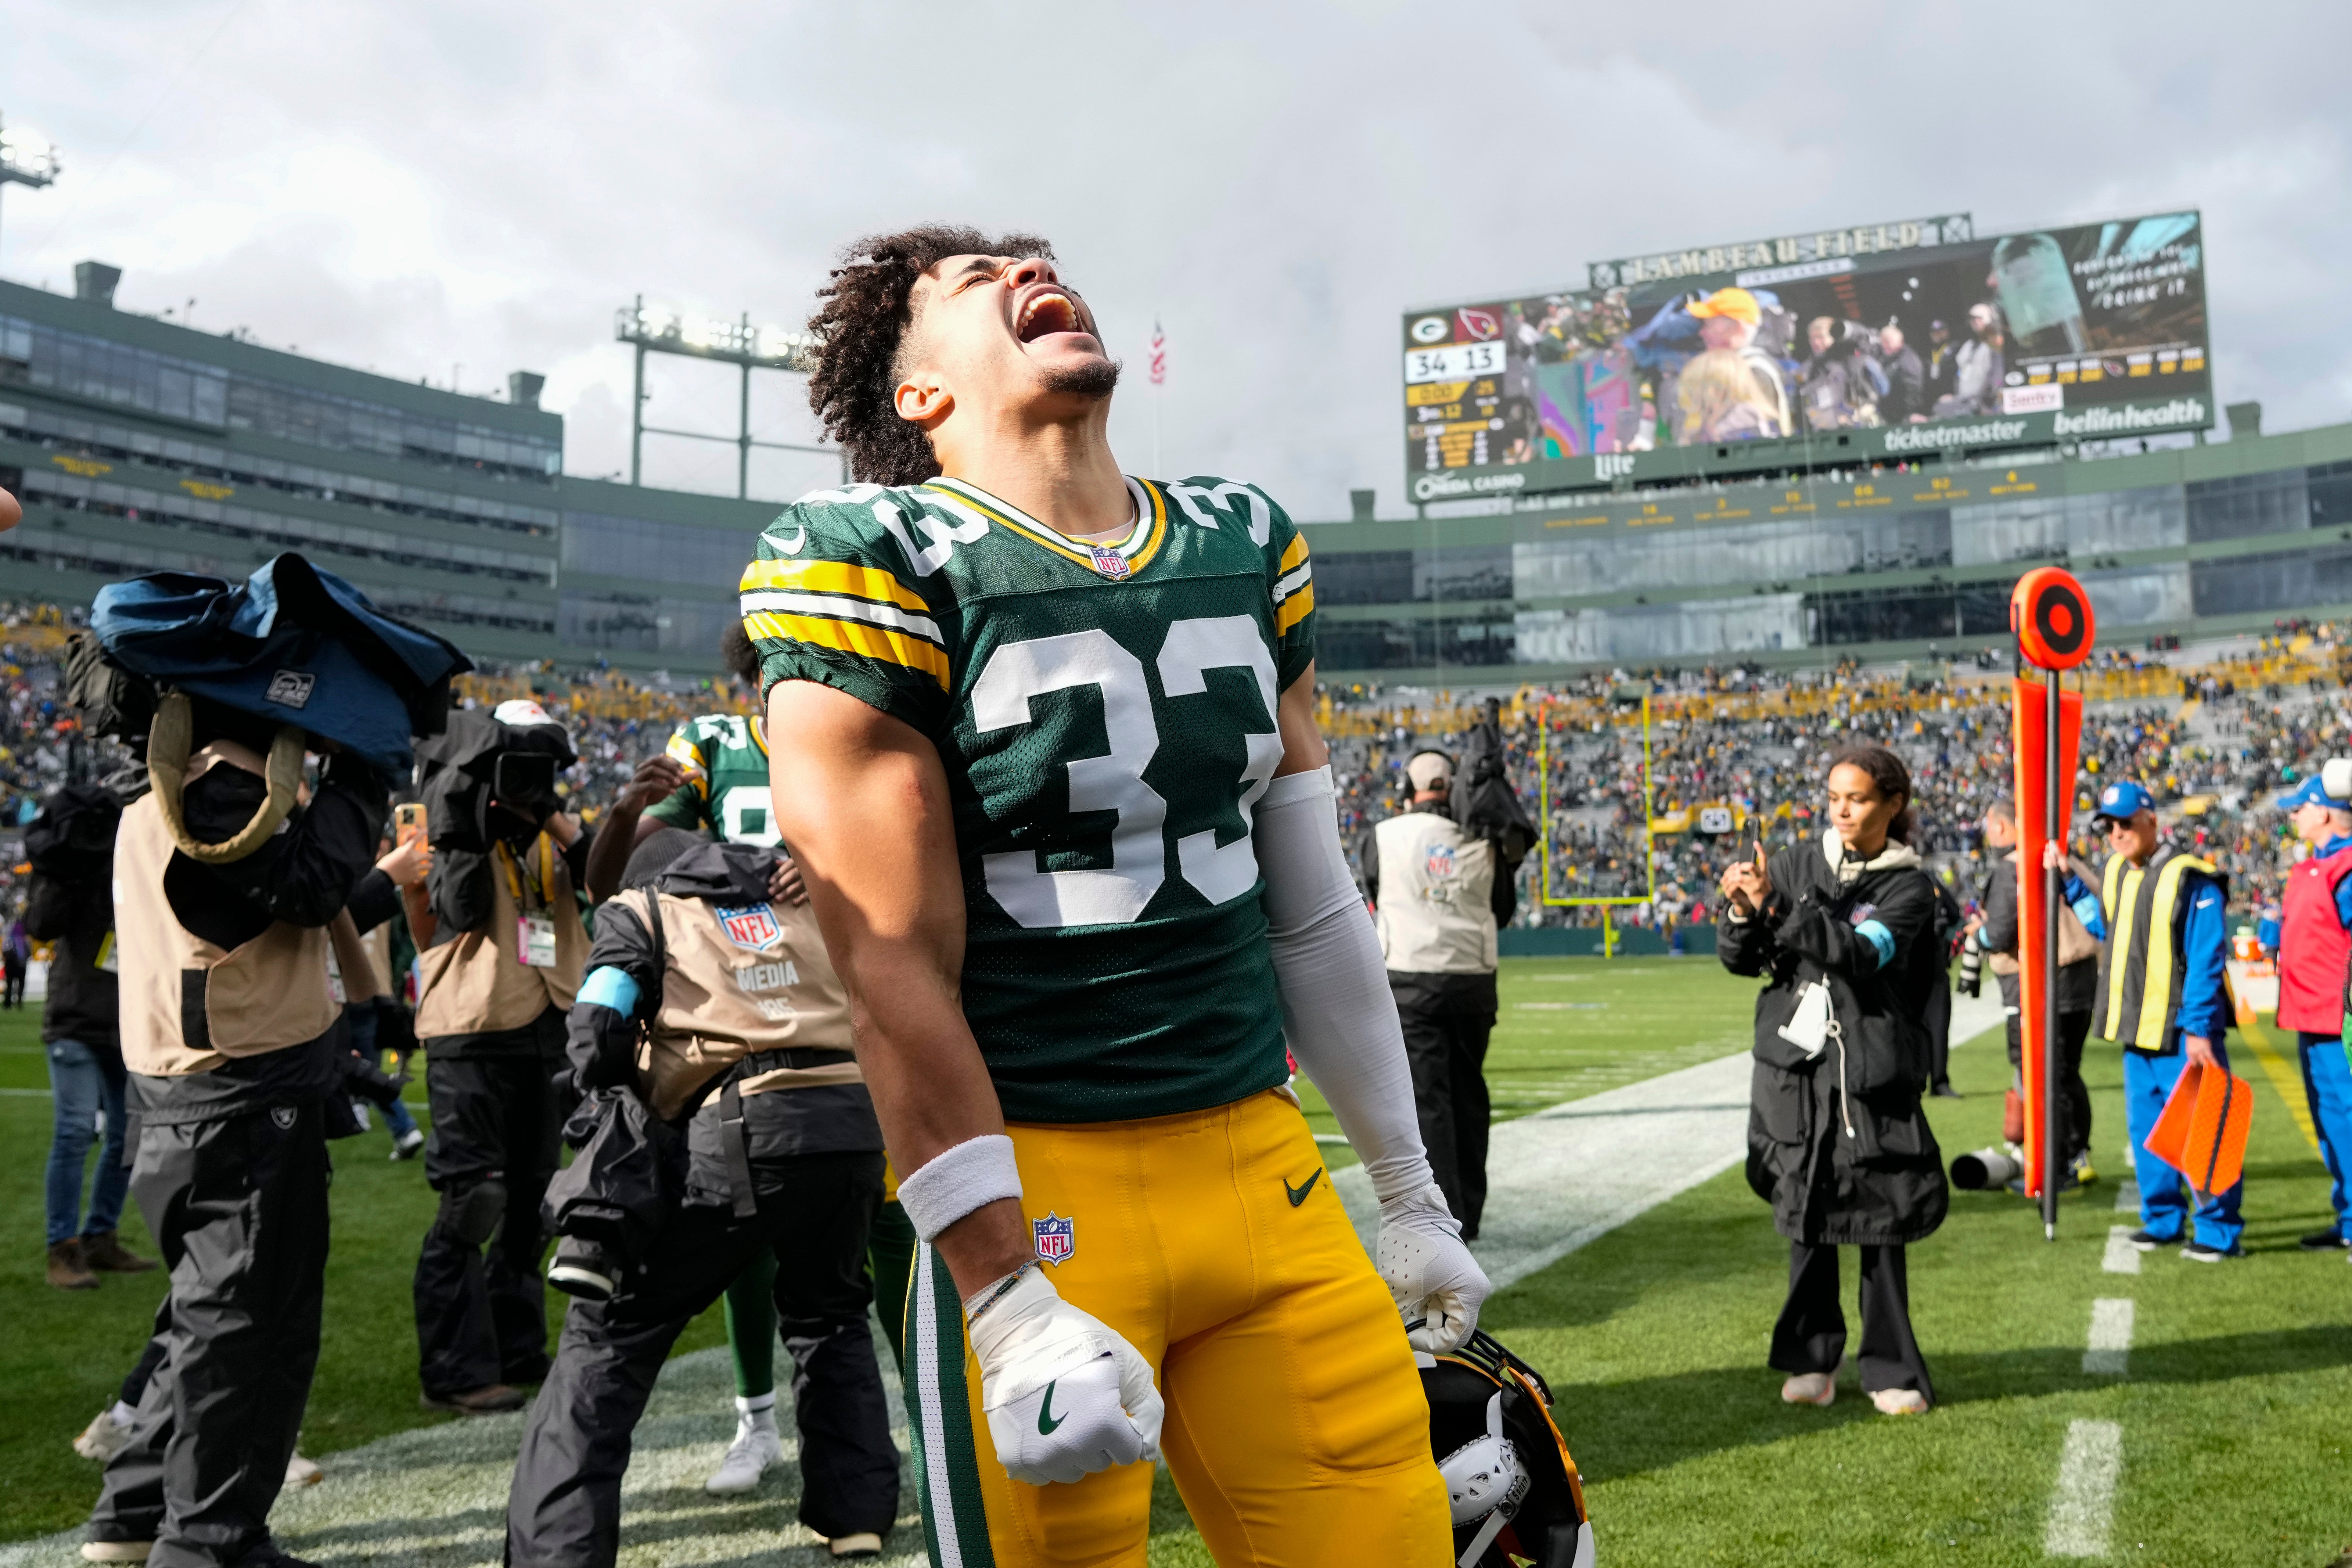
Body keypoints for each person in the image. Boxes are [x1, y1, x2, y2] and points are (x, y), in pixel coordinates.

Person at [756, 228, 1486, 1566]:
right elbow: (890, 965)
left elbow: (1313, 907)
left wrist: (1410, 1191)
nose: (1033, 270)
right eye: (978, 281)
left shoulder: (1242, 539)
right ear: (921, 394)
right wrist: (1003, 1300)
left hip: (1262, 1174)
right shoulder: (877, 561)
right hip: (1037, 1191)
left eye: (1038, 258)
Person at [506, 832, 898, 1564]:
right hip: (850, 1128)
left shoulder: (642, 908)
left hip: (739, 1128)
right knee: (831, 1312)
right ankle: (857, 1513)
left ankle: (555, 1549)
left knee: (608, 1335)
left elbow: (593, 1033)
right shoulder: (802, 899)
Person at [84, 695, 388, 1568]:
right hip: (243, 1086)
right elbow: (311, 884)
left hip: (181, 1085)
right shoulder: (230, 794)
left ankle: (135, 1509)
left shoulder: (161, 790)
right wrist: (363, 767)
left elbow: (279, 911)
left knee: (203, 1318)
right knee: (253, 1328)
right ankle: (212, 1542)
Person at [1718, 744, 1945, 1417]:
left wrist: (1778, 910)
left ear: (1893, 805)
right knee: (1805, 1215)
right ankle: (1810, 1358)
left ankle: (1889, 1367)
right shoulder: (1791, 863)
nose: (1842, 808)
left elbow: (1859, 954)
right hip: (1795, 1071)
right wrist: (1740, 911)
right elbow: (1743, 960)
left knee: (1881, 1216)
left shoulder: (1909, 885)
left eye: (1859, 797)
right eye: (1835, 795)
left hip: (1870, 1072)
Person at [408, 702, 595, 1413]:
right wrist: (473, 819)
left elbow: (615, 879)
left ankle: (517, 1348)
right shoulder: (450, 823)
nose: (531, 784)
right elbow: (456, 908)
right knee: (472, 1201)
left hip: (549, 1025)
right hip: (472, 1029)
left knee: (531, 1205)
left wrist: (551, 817)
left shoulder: (553, 829)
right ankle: (453, 1369)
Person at [2074, 781, 2243, 1260]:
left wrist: (2197, 1028)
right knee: (2148, 1133)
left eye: (2127, 822)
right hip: (2137, 1033)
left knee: (2204, 1133)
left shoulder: (2191, 877)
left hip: (2179, 1033)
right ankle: (2163, 1219)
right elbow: (2098, 925)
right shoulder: (2115, 872)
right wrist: (2065, 877)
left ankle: (2218, 1231)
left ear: (2152, 819)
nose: (2117, 832)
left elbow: (2206, 957)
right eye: (2109, 825)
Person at [1363, 749, 1514, 1239]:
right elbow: (1504, 909)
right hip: (1472, 980)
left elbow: (1374, 890)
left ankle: (1441, 1217)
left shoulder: (1383, 837)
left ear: (1408, 792)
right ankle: (1468, 1211)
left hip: (1410, 978)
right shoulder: (1483, 838)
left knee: (1428, 1099)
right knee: (1469, 1094)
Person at [26, 781, 157, 1290]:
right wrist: (66, 871)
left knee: (130, 1133)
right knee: (77, 1130)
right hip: (76, 1016)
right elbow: (41, 924)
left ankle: (100, 1236)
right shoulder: (66, 870)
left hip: (123, 1020)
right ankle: (64, 1248)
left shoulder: (127, 862)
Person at [1971, 798, 2099, 1183]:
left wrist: (1977, 933)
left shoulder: (2013, 868)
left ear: (2001, 826)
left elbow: (2000, 933)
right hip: (2078, 979)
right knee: (2066, 1073)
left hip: (2039, 984)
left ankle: (2054, 1162)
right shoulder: (2065, 857)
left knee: (2041, 1074)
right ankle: (2077, 1154)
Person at [2267, 767, 2352, 1253]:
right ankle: (2346, 1216)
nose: (2293, 817)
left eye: (2299, 808)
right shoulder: (2312, 867)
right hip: (2308, 1016)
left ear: (2323, 811)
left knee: (2345, 1119)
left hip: (2336, 1020)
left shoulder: (2344, 869)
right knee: (2330, 1124)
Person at [1673, 286, 1790, 444]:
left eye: (1709, 325)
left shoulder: (1754, 369)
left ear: (1738, 327)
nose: (1702, 333)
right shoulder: (1745, 366)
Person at [1933, 302, 2006, 418]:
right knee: (1940, 409)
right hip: (1964, 401)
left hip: (1985, 405)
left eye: (1979, 318)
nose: (1975, 322)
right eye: (1972, 319)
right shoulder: (1968, 345)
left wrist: (1988, 399)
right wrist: (1955, 396)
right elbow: (1960, 372)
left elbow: (1997, 378)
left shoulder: (1995, 345)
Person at [1877, 322, 1925, 425]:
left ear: (1900, 341)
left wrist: (1910, 414)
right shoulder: (1886, 359)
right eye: (1883, 341)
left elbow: (1914, 388)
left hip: (1904, 418)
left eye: (1888, 341)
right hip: (1888, 416)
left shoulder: (1908, 359)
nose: (1885, 345)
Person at [5, 911, 30, 1007]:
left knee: (11, 984)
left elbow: (5, 951)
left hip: (12, 966)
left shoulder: (10, 939)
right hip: (20, 966)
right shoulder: (24, 940)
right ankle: (18, 1002)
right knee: (20, 984)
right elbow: (28, 953)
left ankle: (9, 1003)